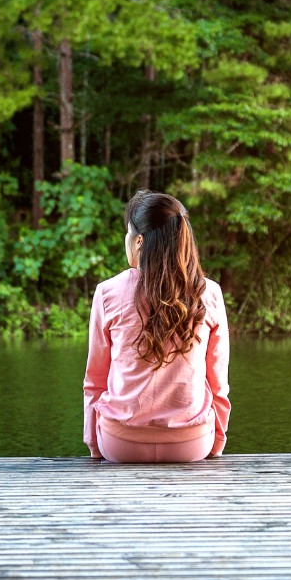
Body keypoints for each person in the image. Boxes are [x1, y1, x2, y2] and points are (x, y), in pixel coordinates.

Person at [83, 190, 231, 464]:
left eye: (128, 233)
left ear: (139, 240)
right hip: (192, 445)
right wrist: (217, 443)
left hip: (120, 445)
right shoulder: (209, 293)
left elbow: (95, 380)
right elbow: (218, 383)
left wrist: (95, 445)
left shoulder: (106, 293)